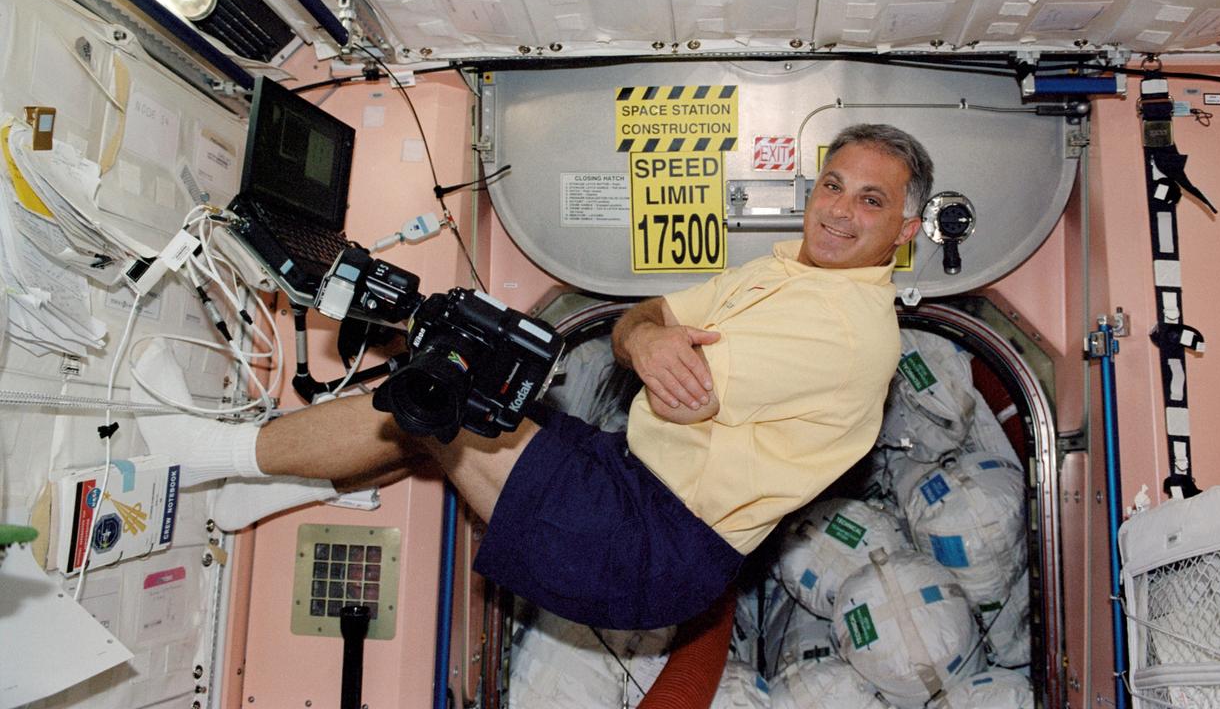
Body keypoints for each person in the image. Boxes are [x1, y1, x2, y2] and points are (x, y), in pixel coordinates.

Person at [132, 122, 933, 629]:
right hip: (632, 475)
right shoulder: (790, 270)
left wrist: (652, 344)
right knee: (444, 405)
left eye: (870, 200)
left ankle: (197, 454)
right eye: (832, 185)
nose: (837, 209)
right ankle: (253, 490)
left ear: (904, 228)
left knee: (440, 400)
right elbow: (645, 316)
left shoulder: (847, 328)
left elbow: (681, 385)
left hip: (652, 543)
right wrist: (643, 335)